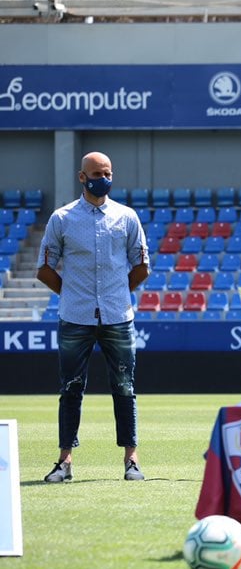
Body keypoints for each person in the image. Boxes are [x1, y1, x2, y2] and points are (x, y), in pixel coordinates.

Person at [37, 151, 151, 482]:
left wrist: (117, 292)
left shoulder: (127, 217)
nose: (105, 178)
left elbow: (141, 265)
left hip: (118, 315)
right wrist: (72, 294)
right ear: (82, 177)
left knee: (125, 387)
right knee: (70, 387)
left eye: (109, 172)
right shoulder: (62, 218)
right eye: (98, 173)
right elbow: (45, 269)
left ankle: (132, 460)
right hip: (75, 317)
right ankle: (65, 461)